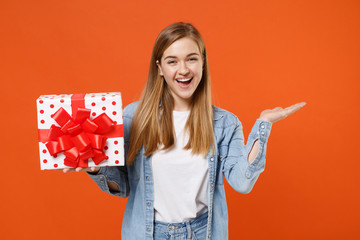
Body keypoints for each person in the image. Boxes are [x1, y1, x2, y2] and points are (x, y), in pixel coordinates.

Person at [63, 22, 306, 240]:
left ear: (203, 62)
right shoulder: (132, 117)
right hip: (148, 233)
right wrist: (96, 168)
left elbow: (242, 182)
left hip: (203, 233)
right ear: (159, 68)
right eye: (172, 61)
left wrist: (263, 125)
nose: (183, 70)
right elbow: (122, 187)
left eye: (191, 59)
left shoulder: (224, 124)